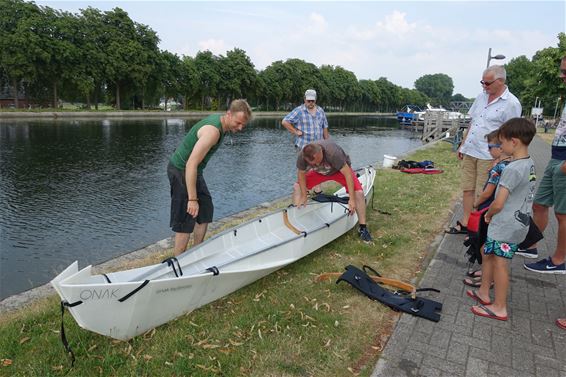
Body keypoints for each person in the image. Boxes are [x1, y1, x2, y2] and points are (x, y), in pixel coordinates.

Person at [468, 118, 536, 321]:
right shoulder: (529, 163)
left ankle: (500, 307)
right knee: (488, 255)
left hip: (505, 224)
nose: (500, 146)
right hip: (519, 223)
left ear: (513, 142)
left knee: (501, 264)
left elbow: (498, 203)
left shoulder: (512, 169)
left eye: (502, 142)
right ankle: (483, 292)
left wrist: (488, 215)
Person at [167, 99, 252, 256]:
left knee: (205, 209)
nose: (240, 128)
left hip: (194, 171)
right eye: (238, 123)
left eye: (243, 125)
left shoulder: (223, 124)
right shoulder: (213, 132)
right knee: (186, 216)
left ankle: (197, 252)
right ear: (228, 114)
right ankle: (178, 260)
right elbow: (191, 164)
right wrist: (192, 199)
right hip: (181, 170)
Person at [446, 65, 521, 234]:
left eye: (487, 83)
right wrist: (463, 144)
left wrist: (503, 157)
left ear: (501, 81)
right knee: (467, 188)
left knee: (483, 192)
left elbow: (512, 133)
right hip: (471, 149)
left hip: (489, 154)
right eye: (482, 83)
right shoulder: (481, 97)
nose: (484, 86)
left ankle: (477, 226)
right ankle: (466, 222)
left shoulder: (511, 103)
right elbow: (473, 122)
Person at [523, 56, 566, 330]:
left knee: (563, 213)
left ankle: (559, 259)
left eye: (565, 71)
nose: (561, 75)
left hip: (564, 162)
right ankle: (530, 244)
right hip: (556, 156)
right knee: (540, 203)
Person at [293, 139, 372, 243]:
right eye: (313, 164)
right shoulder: (302, 156)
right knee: (297, 186)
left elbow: (347, 174)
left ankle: (363, 228)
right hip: (319, 174)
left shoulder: (333, 153)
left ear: (320, 152)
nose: (316, 165)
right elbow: (301, 174)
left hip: (339, 172)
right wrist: (304, 195)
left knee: (359, 193)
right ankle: (296, 217)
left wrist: (352, 199)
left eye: (317, 161)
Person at [463, 130, 511, 287]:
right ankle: (485, 272)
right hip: (499, 211)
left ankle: (487, 278)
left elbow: (487, 192)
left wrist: (475, 205)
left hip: (488, 209)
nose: (488, 150)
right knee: (487, 247)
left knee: (485, 245)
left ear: (501, 147)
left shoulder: (498, 169)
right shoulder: (509, 164)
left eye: (490, 147)